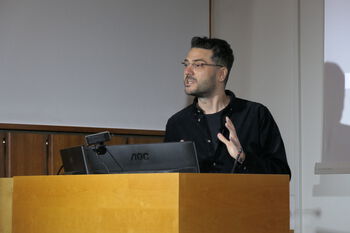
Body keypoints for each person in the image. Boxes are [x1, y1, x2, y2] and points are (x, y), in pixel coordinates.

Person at [164, 36, 291, 176]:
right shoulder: (177, 124)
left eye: (198, 65)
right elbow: (166, 182)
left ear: (221, 74)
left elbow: (282, 175)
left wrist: (243, 158)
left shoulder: (256, 115)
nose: (187, 71)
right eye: (186, 64)